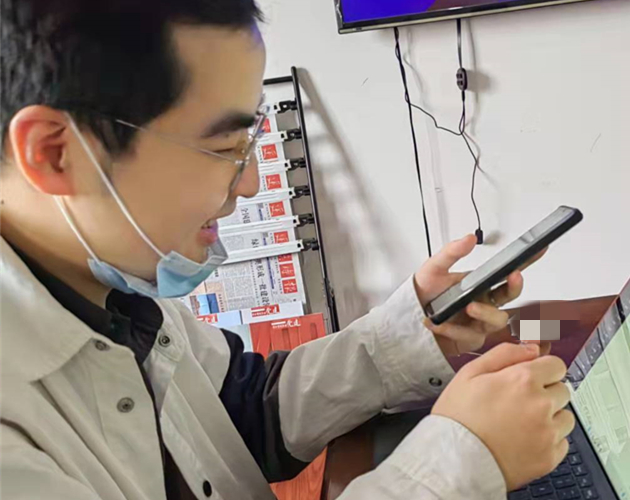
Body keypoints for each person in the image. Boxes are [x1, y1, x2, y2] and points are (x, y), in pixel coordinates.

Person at [0, 1, 574, 499]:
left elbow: (245, 412)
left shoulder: (118, 285)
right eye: (222, 147)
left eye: (249, 140)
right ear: (54, 153)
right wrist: (457, 463)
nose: (250, 183)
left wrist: (417, 329)